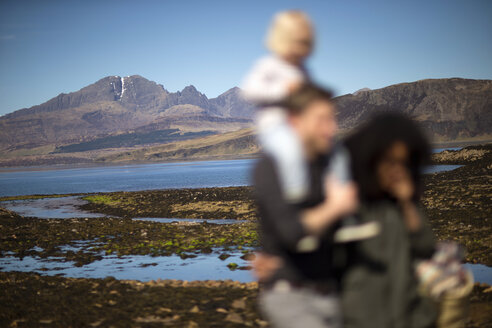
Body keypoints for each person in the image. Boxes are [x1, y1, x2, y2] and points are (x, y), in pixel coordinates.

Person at [253, 84, 359, 328]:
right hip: (292, 297)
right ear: (295, 120)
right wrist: (335, 207)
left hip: (334, 295)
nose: (331, 128)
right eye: (322, 120)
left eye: (332, 119)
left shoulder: (331, 166)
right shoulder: (271, 168)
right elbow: (290, 231)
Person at [340, 113, 438, 328]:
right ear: (372, 159)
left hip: (411, 317)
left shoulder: (401, 205)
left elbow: (426, 247)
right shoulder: (351, 204)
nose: (396, 171)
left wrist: (407, 203)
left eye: (403, 163)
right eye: (390, 162)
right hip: (363, 319)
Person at [243, 10, 314, 203]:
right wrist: (283, 90)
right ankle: (295, 200)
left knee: (334, 151)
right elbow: (249, 90)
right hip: (275, 125)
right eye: (297, 42)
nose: (301, 49)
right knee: (290, 150)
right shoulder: (268, 65)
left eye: (305, 43)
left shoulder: (303, 70)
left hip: (302, 126)